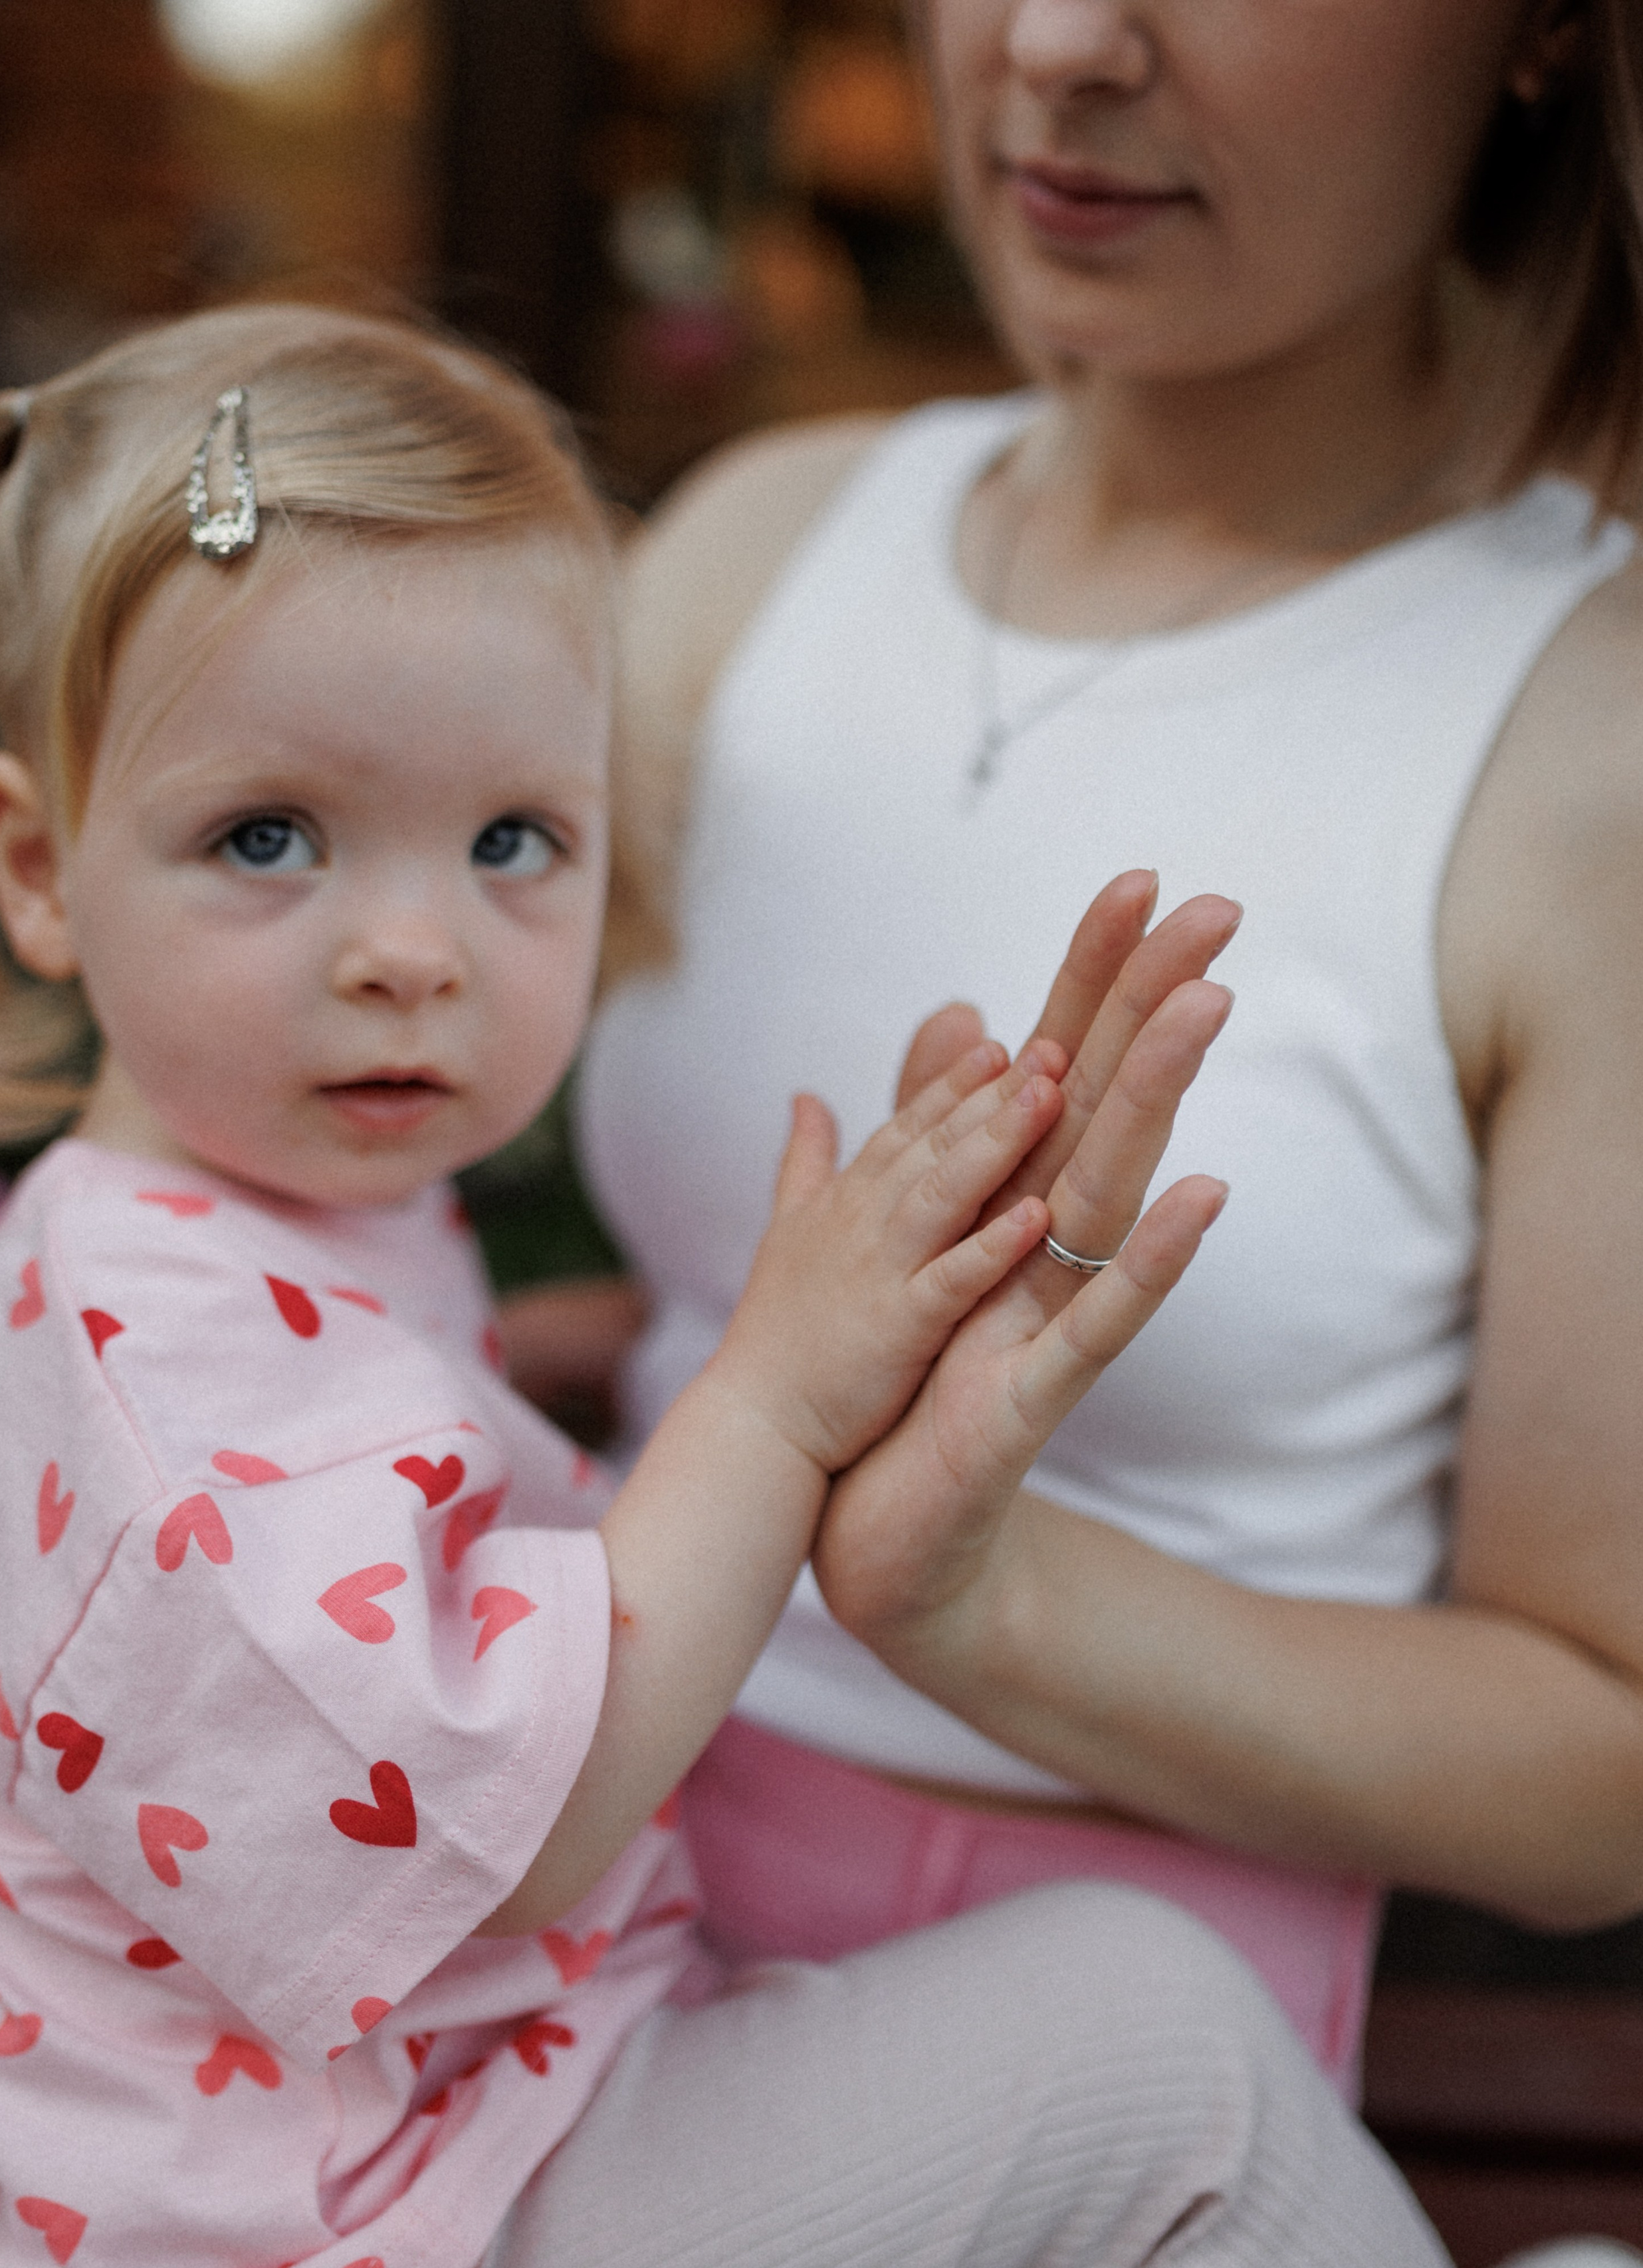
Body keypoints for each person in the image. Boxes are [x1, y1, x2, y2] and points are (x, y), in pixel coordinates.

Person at [0, 300, 1450, 2266]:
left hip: (401, 2130)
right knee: (1164, 2051)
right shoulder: (164, 1386)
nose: (414, 946)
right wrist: (770, 1394)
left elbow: (289, 1516)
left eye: (509, 839)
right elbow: (511, 1838)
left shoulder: (221, 1237)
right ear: (38, 868)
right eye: (269, 836)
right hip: (387, 2209)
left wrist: (557, 1369)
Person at [538, 0, 1643, 2128]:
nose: (1054, 43)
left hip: (1098, 2094)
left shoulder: (1581, 748)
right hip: (535, 1934)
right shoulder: (755, 548)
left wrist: (986, 1591)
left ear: (1536, 34)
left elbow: (1608, 1755)